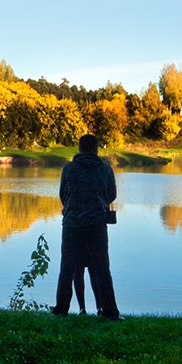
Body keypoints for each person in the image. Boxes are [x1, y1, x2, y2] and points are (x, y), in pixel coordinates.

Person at [51, 134, 120, 319]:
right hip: (97, 224)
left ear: (80, 149)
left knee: (67, 267)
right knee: (102, 268)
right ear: (96, 149)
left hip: (72, 224)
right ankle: (110, 312)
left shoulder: (69, 169)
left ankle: (61, 309)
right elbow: (112, 195)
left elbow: (62, 194)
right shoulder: (105, 169)